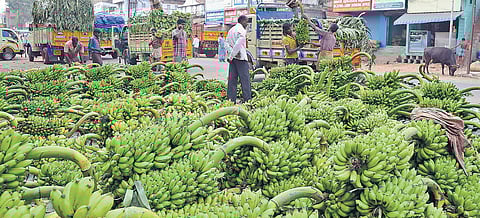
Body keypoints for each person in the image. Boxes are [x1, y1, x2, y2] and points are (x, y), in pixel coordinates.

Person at [225, 15, 251, 104]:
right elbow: (238, 45)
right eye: (246, 22)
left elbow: (226, 43)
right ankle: (247, 100)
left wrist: (231, 55)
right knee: (245, 80)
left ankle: (231, 100)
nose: (247, 24)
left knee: (232, 80)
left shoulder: (231, 30)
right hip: (241, 59)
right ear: (242, 21)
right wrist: (233, 54)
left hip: (233, 59)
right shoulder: (242, 31)